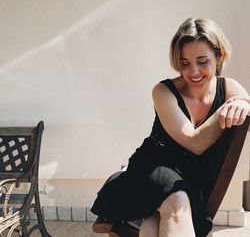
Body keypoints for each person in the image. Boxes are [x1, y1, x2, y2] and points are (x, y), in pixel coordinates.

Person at [91, 17, 250, 237]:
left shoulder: (229, 89)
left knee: (153, 226)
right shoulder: (163, 92)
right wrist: (229, 107)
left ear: (219, 55)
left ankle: (146, 215)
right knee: (177, 200)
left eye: (202, 61)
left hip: (192, 180)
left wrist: (244, 102)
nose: (193, 71)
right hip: (152, 169)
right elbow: (195, 142)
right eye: (185, 63)